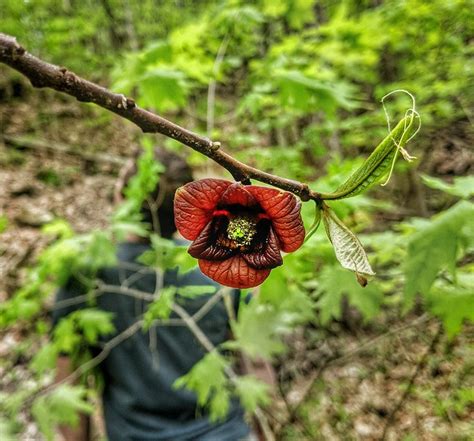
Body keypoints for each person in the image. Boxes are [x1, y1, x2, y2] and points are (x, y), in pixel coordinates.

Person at [52, 149, 262, 441]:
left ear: (123, 199)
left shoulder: (88, 277)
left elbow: (70, 387)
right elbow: (254, 367)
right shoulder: (221, 270)